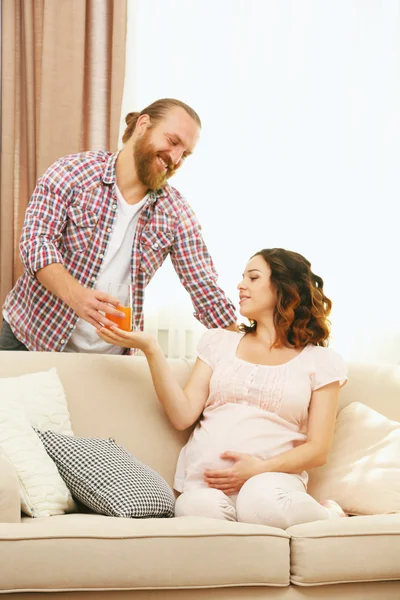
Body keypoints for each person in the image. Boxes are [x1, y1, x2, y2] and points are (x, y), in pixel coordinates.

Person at [96, 248, 348, 529]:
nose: (241, 285)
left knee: (261, 503)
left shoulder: (322, 362)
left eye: (253, 278)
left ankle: (329, 515)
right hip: (206, 484)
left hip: (271, 480)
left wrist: (258, 468)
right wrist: (151, 349)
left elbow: (318, 449)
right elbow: (182, 416)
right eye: (243, 278)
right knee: (195, 509)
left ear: (284, 289)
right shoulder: (219, 343)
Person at [0, 98, 236, 353]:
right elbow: (36, 243)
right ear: (143, 125)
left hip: (110, 357)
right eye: (173, 141)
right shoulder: (72, 172)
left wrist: (250, 347)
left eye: (185, 154)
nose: (176, 158)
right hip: (31, 341)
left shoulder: (176, 212)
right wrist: (77, 296)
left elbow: (204, 287)